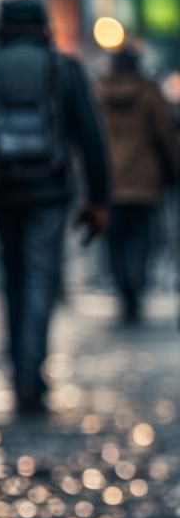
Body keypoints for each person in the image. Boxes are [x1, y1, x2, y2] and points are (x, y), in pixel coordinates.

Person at [0, 0, 109, 414]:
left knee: (13, 276)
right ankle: (31, 372)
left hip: (0, 190)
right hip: (50, 190)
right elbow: (90, 136)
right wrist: (99, 198)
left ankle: (19, 369)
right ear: (43, 27)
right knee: (39, 276)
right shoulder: (63, 69)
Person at [95, 47, 179, 324]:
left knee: (115, 240)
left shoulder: (99, 92)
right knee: (141, 239)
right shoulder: (148, 93)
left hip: (109, 179)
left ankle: (125, 290)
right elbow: (164, 135)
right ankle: (136, 287)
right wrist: (172, 169)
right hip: (144, 180)